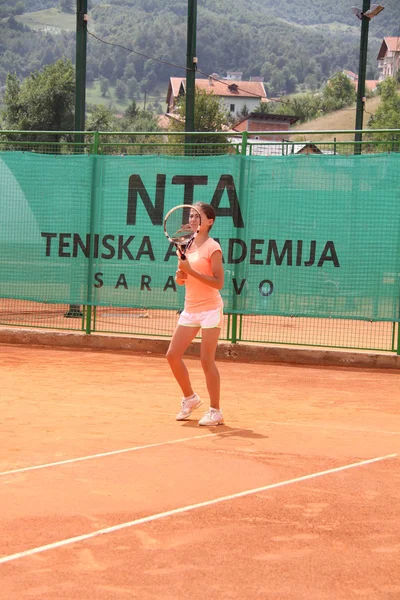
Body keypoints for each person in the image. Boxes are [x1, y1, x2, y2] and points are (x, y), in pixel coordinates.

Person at [166, 202, 225, 426]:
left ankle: (215, 411)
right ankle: (190, 398)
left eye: (197, 216)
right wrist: (181, 276)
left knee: (206, 360)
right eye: (190, 215)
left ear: (209, 221)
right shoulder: (185, 245)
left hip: (210, 309)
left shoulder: (213, 247)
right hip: (190, 309)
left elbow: (219, 283)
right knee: (172, 355)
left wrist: (191, 271)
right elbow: (181, 280)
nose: (192, 219)